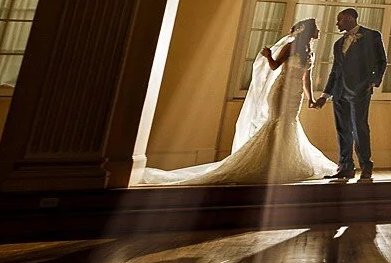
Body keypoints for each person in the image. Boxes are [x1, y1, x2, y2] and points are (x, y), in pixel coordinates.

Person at [137, 18, 335, 186]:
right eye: (316, 28)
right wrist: (267, 56)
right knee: (276, 123)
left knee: (289, 123)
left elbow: (306, 77)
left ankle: (283, 162)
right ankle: (266, 163)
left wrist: (310, 98)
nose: (319, 31)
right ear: (308, 31)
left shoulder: (310, 51)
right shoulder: (291, 47)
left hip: (296, 95)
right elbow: (274, 67)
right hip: (281, 91)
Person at [310, 8, 387, 182]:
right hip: (339, 92)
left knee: (359, 128)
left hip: (360, 90)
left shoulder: (372, 36)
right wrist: (325, 94)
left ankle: (366, 166)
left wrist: (373, 81)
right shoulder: (338, 44)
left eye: (340, 20)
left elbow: (382, 61)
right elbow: (335, 70)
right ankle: (345, 167)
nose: (337, 23)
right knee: (342, 129)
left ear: (351, 18)